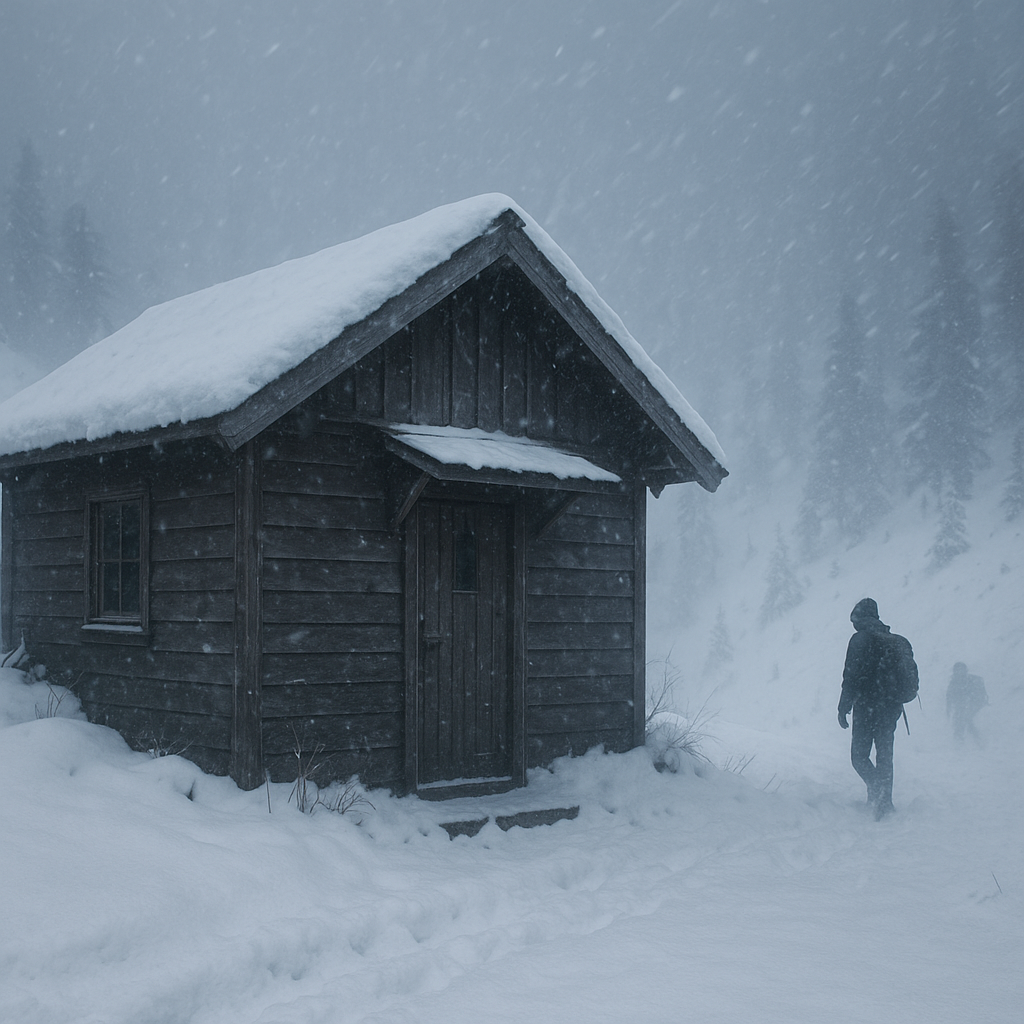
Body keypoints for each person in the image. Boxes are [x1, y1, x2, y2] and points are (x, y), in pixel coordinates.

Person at [837, 597, 911, 820]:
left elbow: (849, 676)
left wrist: (843, 707)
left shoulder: (859, 640)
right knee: (884, 754)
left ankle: (876, 791)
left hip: (866, 706)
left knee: (859, 757)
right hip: (890, 706)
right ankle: (884, 801)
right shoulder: (895, 640)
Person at [946, 662, 988, 744]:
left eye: (961, 670)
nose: (959, 672)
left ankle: (977, 740)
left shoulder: (972, 681)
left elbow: (979, 695)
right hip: (961, 706)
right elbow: (949, 696)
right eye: (957, 670)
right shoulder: (953, 683)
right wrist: (949, 708)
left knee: (966, 720)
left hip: (973, 706)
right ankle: (960, 740)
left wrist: (973, 704)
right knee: (959, 721)